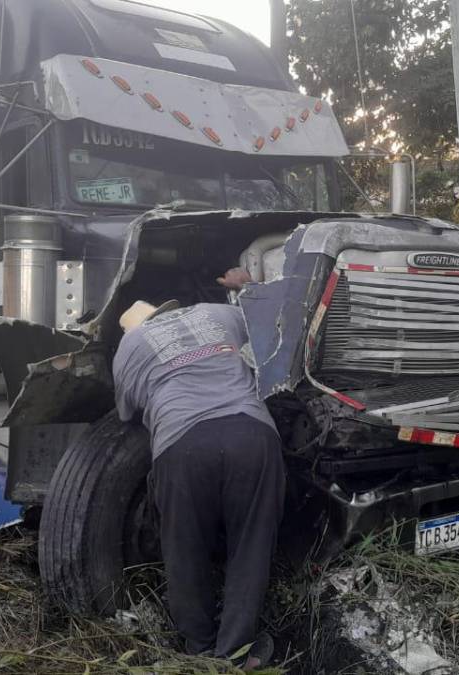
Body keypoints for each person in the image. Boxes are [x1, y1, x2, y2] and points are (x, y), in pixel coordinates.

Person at [112, 267, 281, 670]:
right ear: (168, 310)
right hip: (251, 432)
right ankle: (236, 653)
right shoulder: (215, 314)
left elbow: (126, 414)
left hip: (183, 443)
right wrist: (248, 287)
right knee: (251, 545)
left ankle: (199, 650)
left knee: (183, 547)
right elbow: (273, 319)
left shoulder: (129, 348)